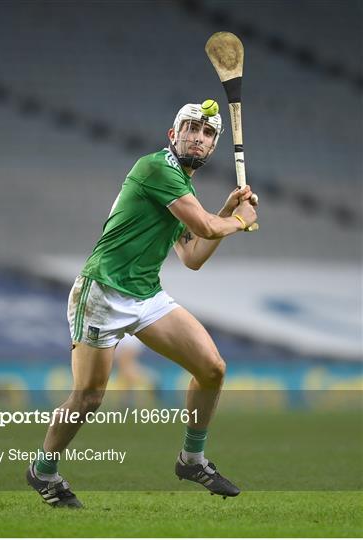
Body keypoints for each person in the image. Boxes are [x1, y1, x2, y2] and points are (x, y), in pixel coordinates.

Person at [27, 101, 258, 507]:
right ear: (173, 135)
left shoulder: (182, 188)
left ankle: (192, 458)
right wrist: (238, 220)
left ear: (212, 146)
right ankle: (43, 471)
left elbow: (193, 257)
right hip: (101, 292)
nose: (198, 138)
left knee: (212, 369)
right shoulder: (156, 169)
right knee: (89, 397)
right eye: (190, 129)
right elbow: (203, 227)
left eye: (207, 134)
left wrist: (225, 211)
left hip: (146, 294)